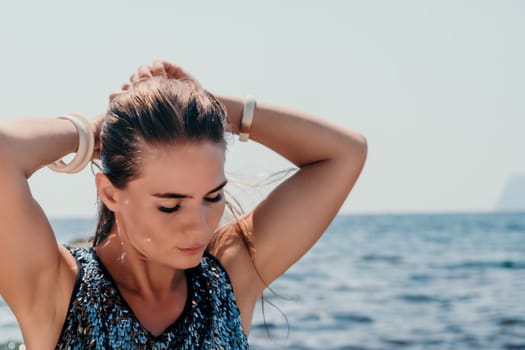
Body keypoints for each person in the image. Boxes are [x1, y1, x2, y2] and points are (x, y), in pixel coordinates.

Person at [0, 61, 367, 349]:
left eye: (213, 197)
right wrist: (94, 132)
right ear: (111, 193)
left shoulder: (230, 275)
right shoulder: (59, 290)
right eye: (170, 205)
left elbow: (345, 153)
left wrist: (215, 107)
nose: (198, 226)